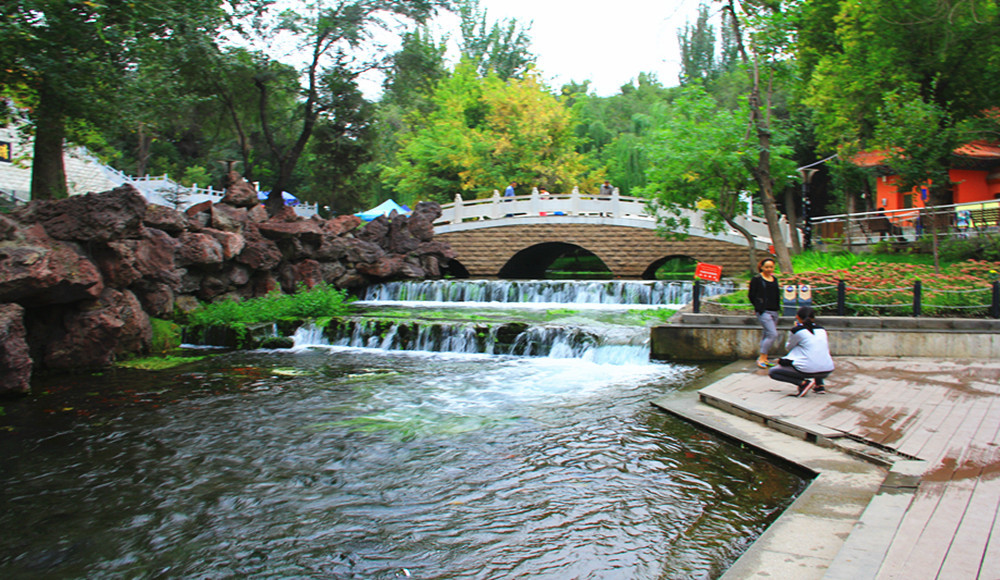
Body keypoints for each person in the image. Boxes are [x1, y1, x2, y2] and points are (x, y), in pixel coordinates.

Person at [768, 306, 835, 397]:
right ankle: (819, 385)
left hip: (808, 370)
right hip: (827, 369)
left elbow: (789, 347)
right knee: (814, 353)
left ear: (798, 317)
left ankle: (803, 383)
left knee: (773, 372)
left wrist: (796, 328)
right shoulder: (822, 330)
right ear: (813, 318)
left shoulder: (797, 331)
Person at [748, 257, 780, 369]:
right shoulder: (757, 279)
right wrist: (758, 307)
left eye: (771, 267)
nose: (769, 269)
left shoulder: (774, 279)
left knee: (767, 334)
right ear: (761, 267)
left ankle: (765, 358)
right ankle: (761, 358)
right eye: (766, 267)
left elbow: (776, 294)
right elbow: (751, 295)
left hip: (774, 310)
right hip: (763, 311)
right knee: (773, 334)